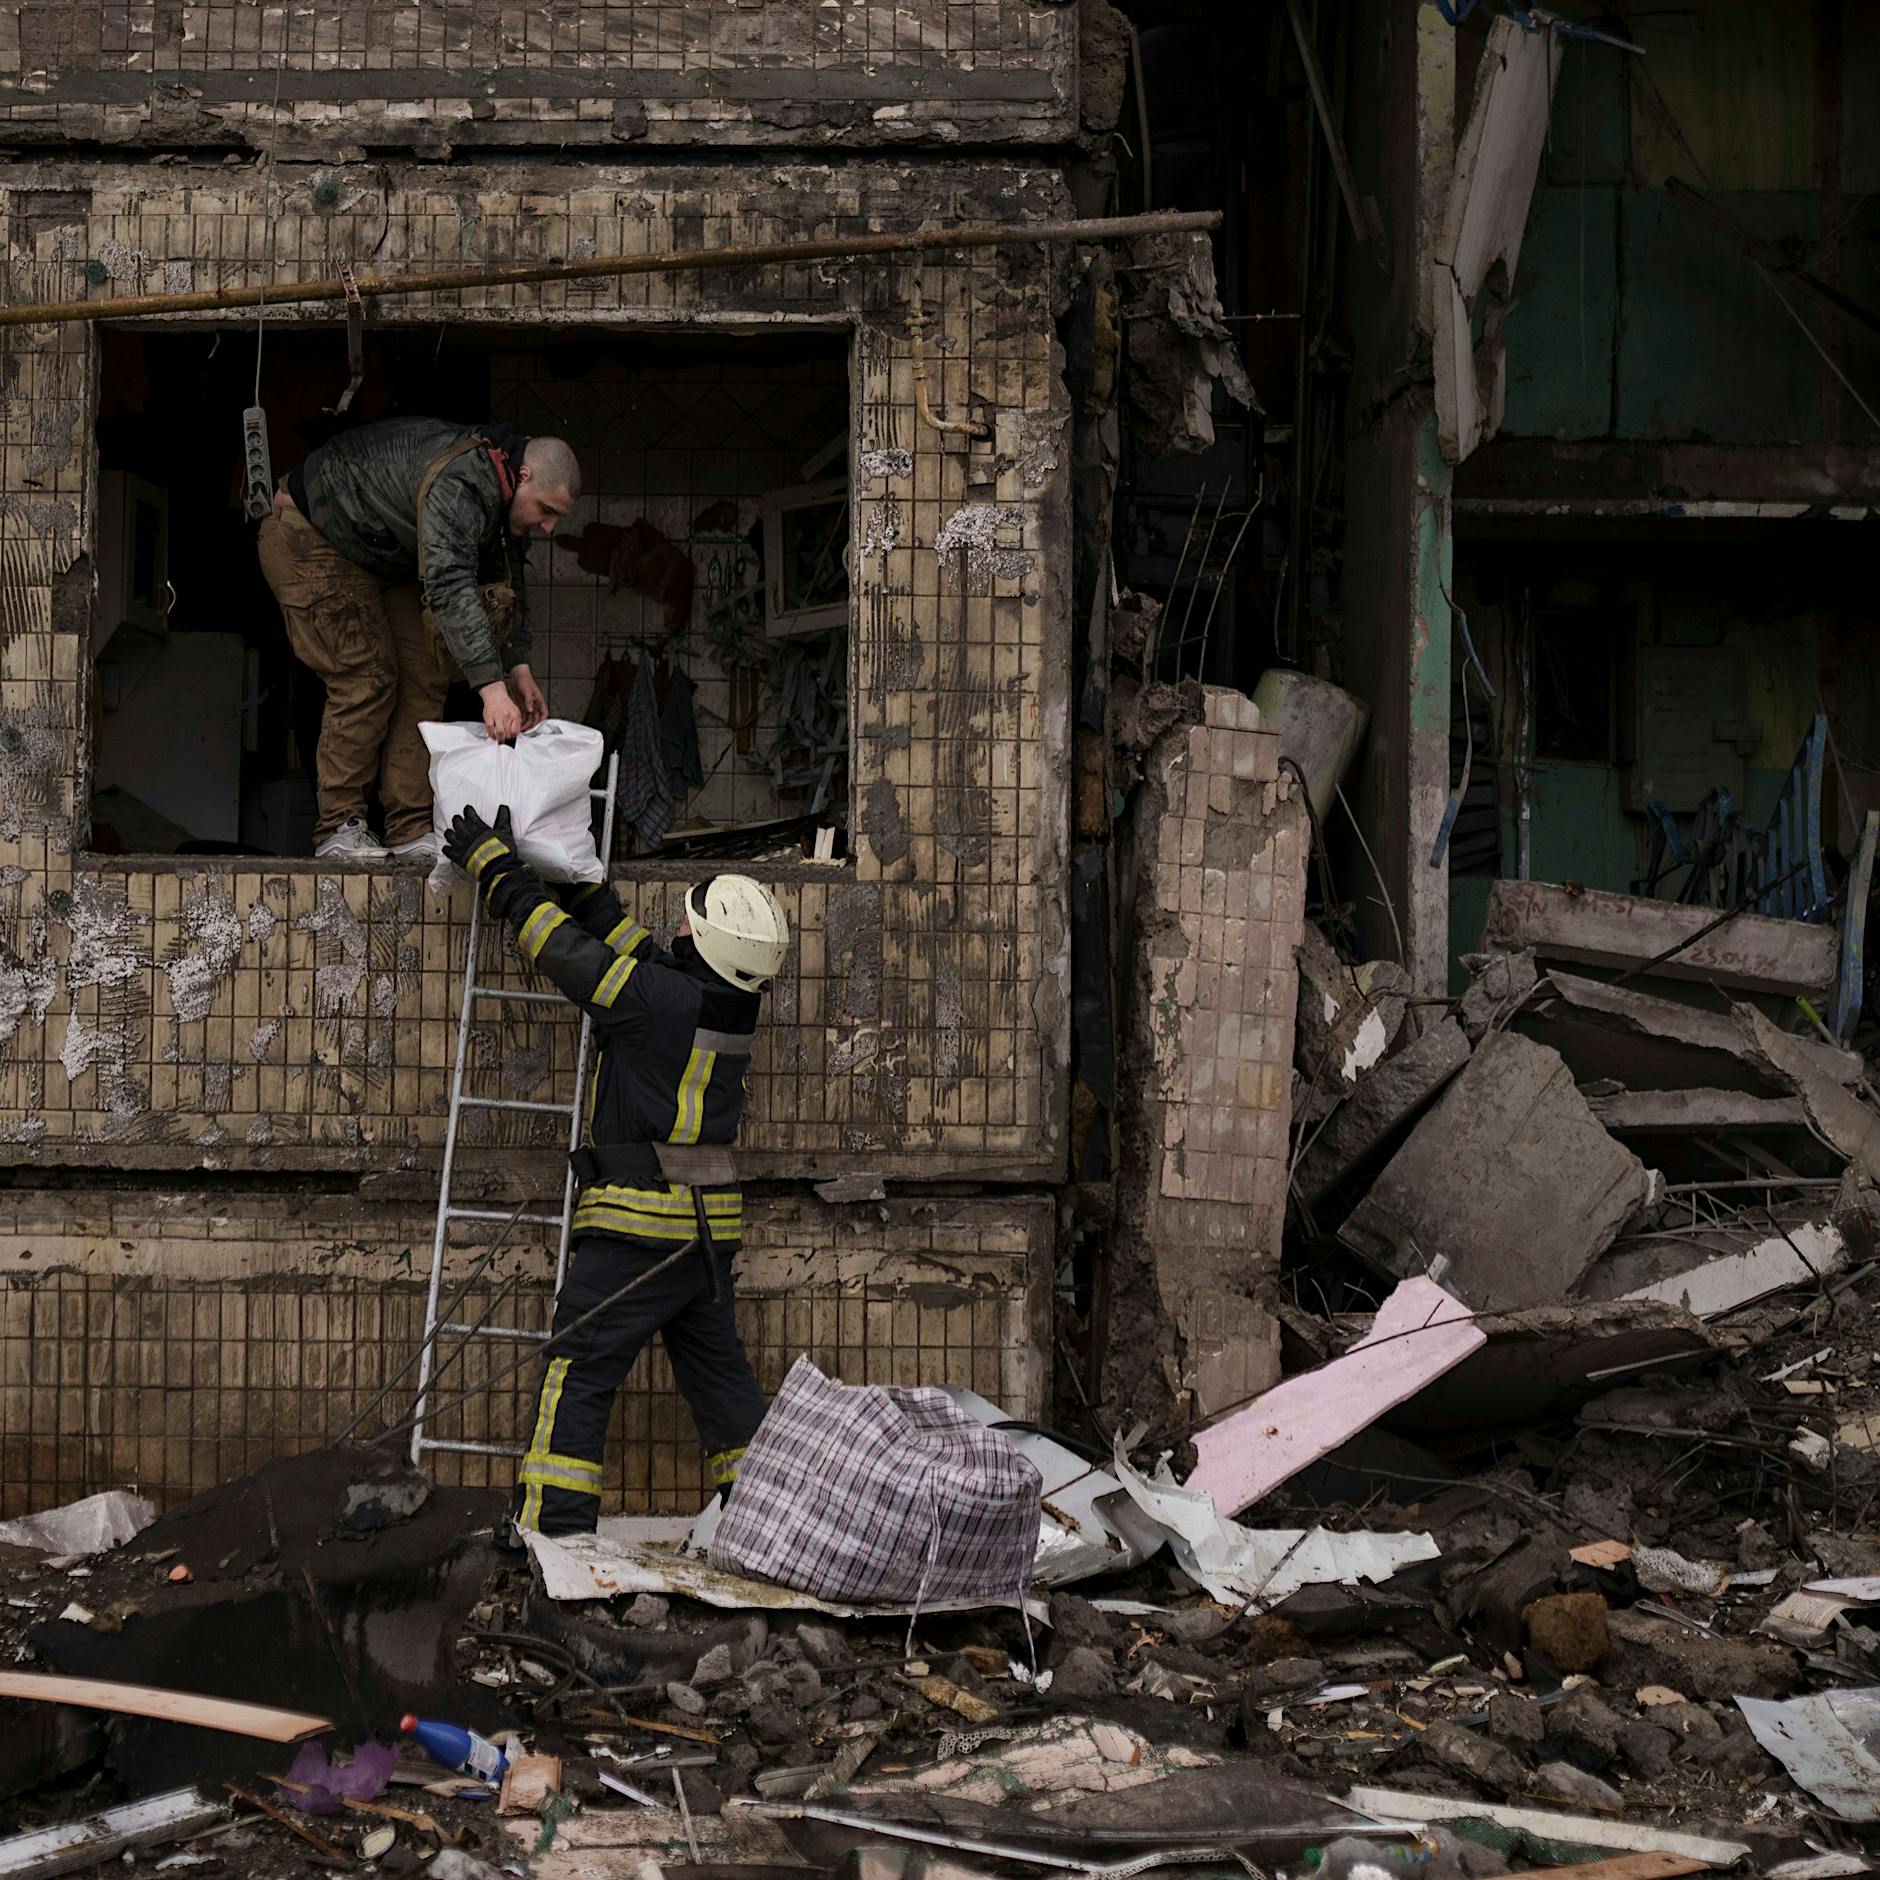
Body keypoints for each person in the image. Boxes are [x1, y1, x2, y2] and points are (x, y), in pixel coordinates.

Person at [440, 802, 790, 1538]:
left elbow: (564, 953)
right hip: (703, 1242)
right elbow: (631, 951)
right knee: (724, 1391)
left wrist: (492, 865)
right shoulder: (719, 1004)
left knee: (579, 1369)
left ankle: (553, 1530)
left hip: (636, 1233)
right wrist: (585, 882)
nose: (681, 926)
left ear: (714, 942)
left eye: (693, 922)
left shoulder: (659, 1002)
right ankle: (773, 1528)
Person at [258, 419, 581, 863]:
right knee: (367, 676)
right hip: (312, 535)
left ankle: (408, 827)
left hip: (378, 552)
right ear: (524, 477)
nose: (548, 527)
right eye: (546, 510)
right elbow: (450, 585)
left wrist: (517, 669)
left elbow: (505, 581)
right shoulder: (465, 482)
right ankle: (339, 824)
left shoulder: (503, 495)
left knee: (428, 673)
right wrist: (491, 691)